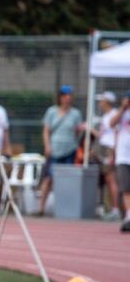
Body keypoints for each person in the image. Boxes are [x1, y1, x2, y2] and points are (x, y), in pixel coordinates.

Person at [37, 85, 84, 216]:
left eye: (69, 96)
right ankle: (41, 208)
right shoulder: (51, 111)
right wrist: (47, 145)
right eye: (64, 96)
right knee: (48, 178)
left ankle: (64, 208)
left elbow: (77, 132)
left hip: (70, 150)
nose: (67, 98)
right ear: (60, 97)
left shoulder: (76, 113)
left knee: (67, 180)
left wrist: (81, 129)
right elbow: (46, 130)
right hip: (54, 149)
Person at [95, 92, 120, 220]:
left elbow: (116, 134)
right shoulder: (105, 116)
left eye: (102, 100)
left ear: (107, 101)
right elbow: (102, 135)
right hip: (104, 148)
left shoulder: (114, 114)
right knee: (108, 180)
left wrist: (113, 153)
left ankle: (115, 209)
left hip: (110, 149)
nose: (100, 103)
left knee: (112, 180)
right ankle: (110, 208)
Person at [109, 91, 130, 232]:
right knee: (126, 188)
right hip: (123, 156)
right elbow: (112, 124)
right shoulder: (121, 113)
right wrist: (123, 108)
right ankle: (129, 216)